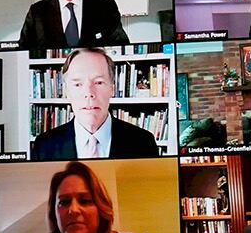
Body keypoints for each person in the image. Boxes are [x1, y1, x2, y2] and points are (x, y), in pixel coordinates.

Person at [20, 161, 154, 233]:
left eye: (84, 200)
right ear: (54, 214)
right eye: (64, 202)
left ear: (101, 209)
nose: (73, 210)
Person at [29, 47, 161, 159]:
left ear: (112, 89)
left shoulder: (144, 143)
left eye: (98, 82)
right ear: (67, 92)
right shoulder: (44, 146)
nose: (89, 93)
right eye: (78, 84)